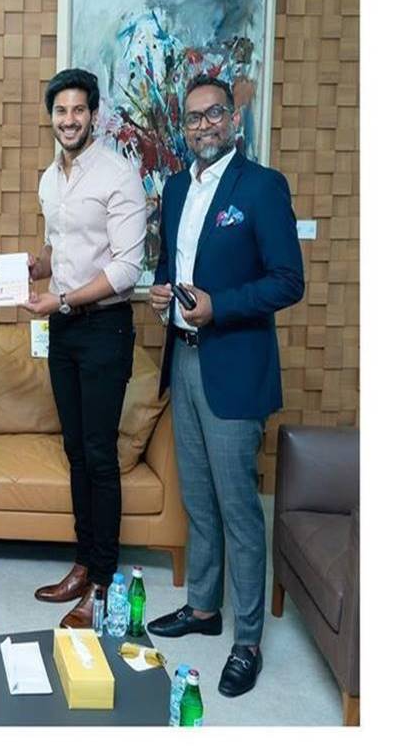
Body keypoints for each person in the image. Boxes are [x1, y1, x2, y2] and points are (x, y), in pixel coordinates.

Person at [146, 75, 304, 697]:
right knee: (198, 497)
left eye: (214, 114)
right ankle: (203, 607)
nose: (204, 125)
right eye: (193, 118)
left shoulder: (262, 186)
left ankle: (248, 641)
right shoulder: (176, 188)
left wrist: (221, 306)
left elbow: (287, 280)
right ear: (183, 128)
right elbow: (172, 265)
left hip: (234, 362)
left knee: (239, 506)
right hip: (184, 359)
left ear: (234, 120)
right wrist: (162, 295)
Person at [21, 68, 147, 629]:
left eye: (78, 110)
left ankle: (102, 583)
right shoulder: (50, 179)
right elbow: (59, 250)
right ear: (51, 117)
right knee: (75, 451)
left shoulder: (119, 174)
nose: (68, 120)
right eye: (60, 111)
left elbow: (126, 268)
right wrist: (31, 269)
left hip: (104, 328)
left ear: (94, 115)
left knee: (99, 455)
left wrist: (64, 298)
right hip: (64, 328)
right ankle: (82, 563)